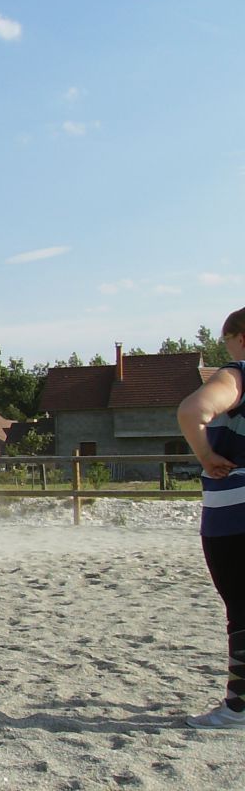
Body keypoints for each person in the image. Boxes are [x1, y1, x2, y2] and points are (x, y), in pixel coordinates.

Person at [177, 306, 245, 730]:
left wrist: (205, 455)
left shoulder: (238, 375)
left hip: (235, 516)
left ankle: (238, 707)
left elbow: (192, 411)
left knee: (241, 609)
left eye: (227, 342)